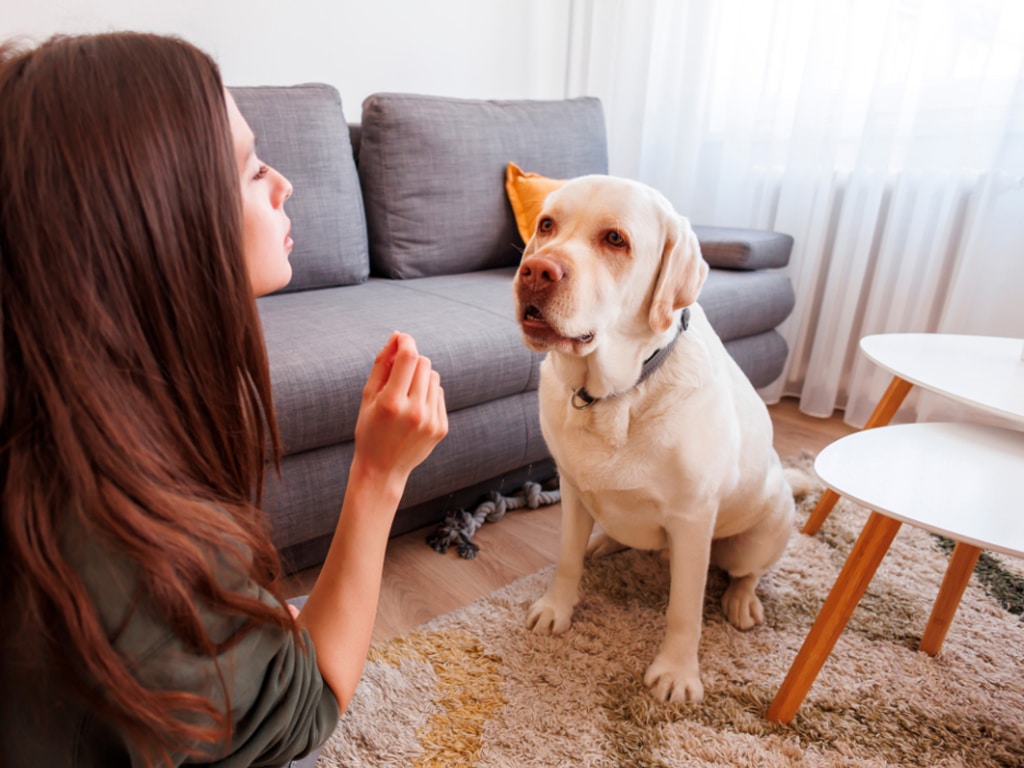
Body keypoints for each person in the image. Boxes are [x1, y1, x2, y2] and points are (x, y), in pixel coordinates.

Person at [0, 31, 448, 767]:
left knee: (287, 615)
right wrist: (379, 475)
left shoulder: (70, 416)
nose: (283, 184)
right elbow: (306, 708)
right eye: (249, 168)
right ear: (157, 218)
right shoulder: (120, 545)